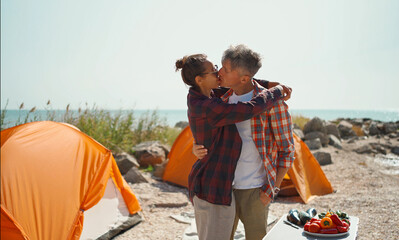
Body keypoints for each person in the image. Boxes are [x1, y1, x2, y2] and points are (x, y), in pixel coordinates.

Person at [175, 53, 291, 240]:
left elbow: (287, 150)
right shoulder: (214, 102)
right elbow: (249, 109)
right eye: (214, 69)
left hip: (254, 188)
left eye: (222, 68)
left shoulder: (214, 94)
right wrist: (276, 91)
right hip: (219, 186)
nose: (218, 72)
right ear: (200, 80)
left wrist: (272, 189)